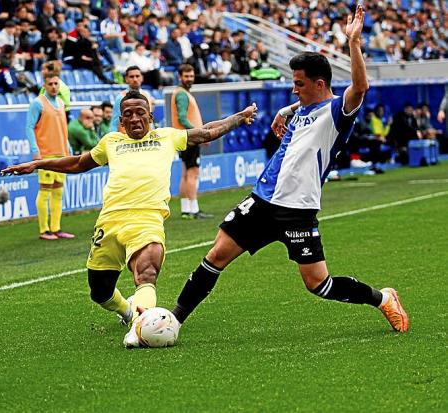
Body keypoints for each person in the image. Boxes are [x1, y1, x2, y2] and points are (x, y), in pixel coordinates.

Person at [169, 5, 409, 340]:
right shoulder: (301, 109)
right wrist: (287, 108)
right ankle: (172, 322)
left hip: (298, 210)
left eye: (299, 84)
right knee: (215, 256)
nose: (294, 89)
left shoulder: (337, 113)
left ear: (319, 83)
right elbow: (300, 104)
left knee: (319, 285)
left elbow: (360, 87)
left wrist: (353, 42)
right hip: (262, 200)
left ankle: (383, 298)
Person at [3, 90, 257, 347]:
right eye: (128, 115)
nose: (135, 118)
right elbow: (79, 163)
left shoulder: (166, 136)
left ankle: (139, 329)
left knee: (146, 272)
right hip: (109, 221)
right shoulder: (111, 142)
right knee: (99, 292)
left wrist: (239, 117)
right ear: (122, 121)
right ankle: (126, 311)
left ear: (150, 116)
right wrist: (38, 164)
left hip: (147, 219)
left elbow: (208, 131)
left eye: (140, 113)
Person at [26, 71, 76, 240]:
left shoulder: (62, 103)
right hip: (46, 154)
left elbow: (63, 128)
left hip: (61, 154)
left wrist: (68, 147)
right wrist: (35, 151)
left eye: (56, 84)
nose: (54, 87)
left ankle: (56, 228)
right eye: (50, 84)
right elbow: (29, 127)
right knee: (45, 191)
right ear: (44, 85)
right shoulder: (37, 104)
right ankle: (43, 230)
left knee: (58, 192)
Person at [172, 64, 211, 219]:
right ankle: (193, 210)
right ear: (180, 77)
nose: (189, 79)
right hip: (189, 138)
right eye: (186, 76)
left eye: (191, 76)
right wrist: (199, 133)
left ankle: (186, 209)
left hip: (183, 138)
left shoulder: (181, 93)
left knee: (185, 173)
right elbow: (182, 118)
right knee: (192, 173)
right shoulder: (182, 94)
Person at [110, 66, 154, 132]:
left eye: (137, 76)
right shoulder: (121, 97)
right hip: (126, 137)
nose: (135, 79)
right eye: (131, 77)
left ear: (142, 78)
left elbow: (150, 121)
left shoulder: (147, 95)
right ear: (126, 79)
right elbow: (115, 122)